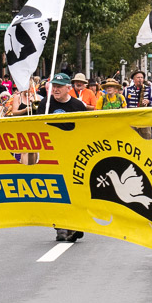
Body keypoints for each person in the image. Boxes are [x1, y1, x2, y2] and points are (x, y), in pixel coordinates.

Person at [37, 73, 87, 242]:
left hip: (72, 154)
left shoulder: (78, 106)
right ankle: (60, 226)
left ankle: (74, 225)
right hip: (51, 153)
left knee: (73, 191)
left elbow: (84, 130)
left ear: (68, 88)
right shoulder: (46, 103)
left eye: (59, 86)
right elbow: (37, 126)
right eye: (54, 86)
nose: (56, 89)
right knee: (55, 191)